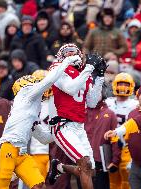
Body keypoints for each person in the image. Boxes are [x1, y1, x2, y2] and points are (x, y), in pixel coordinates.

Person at [0, 54, 80, 189]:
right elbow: (48, 81)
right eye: (37, 83)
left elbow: (44, 138)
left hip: (21, 153)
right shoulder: (25, 94)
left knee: (39, 185)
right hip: (6, 148)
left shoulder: (31, 112)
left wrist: (63, 126)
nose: (41, 87)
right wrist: (66, 62)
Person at [47, 44, 106, 189]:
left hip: (79, 126)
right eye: (67, 53)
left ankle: (60, 167)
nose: (71, 55)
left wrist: (99, 76)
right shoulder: (57, 68)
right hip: (62, 125)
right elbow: (70, 88)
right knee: (85, 163)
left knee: (90, 170)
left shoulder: (84, 73)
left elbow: (92, 102)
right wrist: (89, 69)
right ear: (61, 57)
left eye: (74, 52)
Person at [105, 72, 138, 189]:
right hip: (109, 144)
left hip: (127, 145)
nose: (123, 87)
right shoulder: (107, 102)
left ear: (132, 86)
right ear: (114, 85)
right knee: (112, 177)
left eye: (126, 84)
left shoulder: (135, 104)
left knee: (126, 175)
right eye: (120, 83)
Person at [84, 84, 121, 189]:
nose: (94, 95)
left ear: (103, 94)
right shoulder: (81, 112)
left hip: (101, 161)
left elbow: (114, 139)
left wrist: (115, 160)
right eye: (91, 93)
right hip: (82, 160)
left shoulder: (110, 114)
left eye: (97, 92)